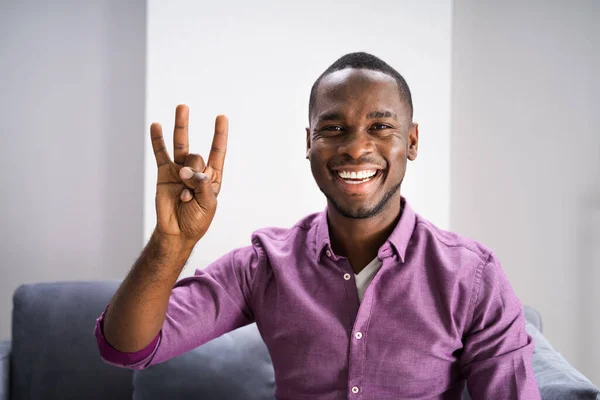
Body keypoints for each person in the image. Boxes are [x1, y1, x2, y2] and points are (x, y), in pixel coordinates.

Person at [95, 52, 540, 399]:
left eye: (380, 126)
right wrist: (172, 240)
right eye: (334, 128)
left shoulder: (472, 276)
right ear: (309, 143)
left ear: (412, 141)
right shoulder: (264, 265)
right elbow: (126, 347)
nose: (356, 148)